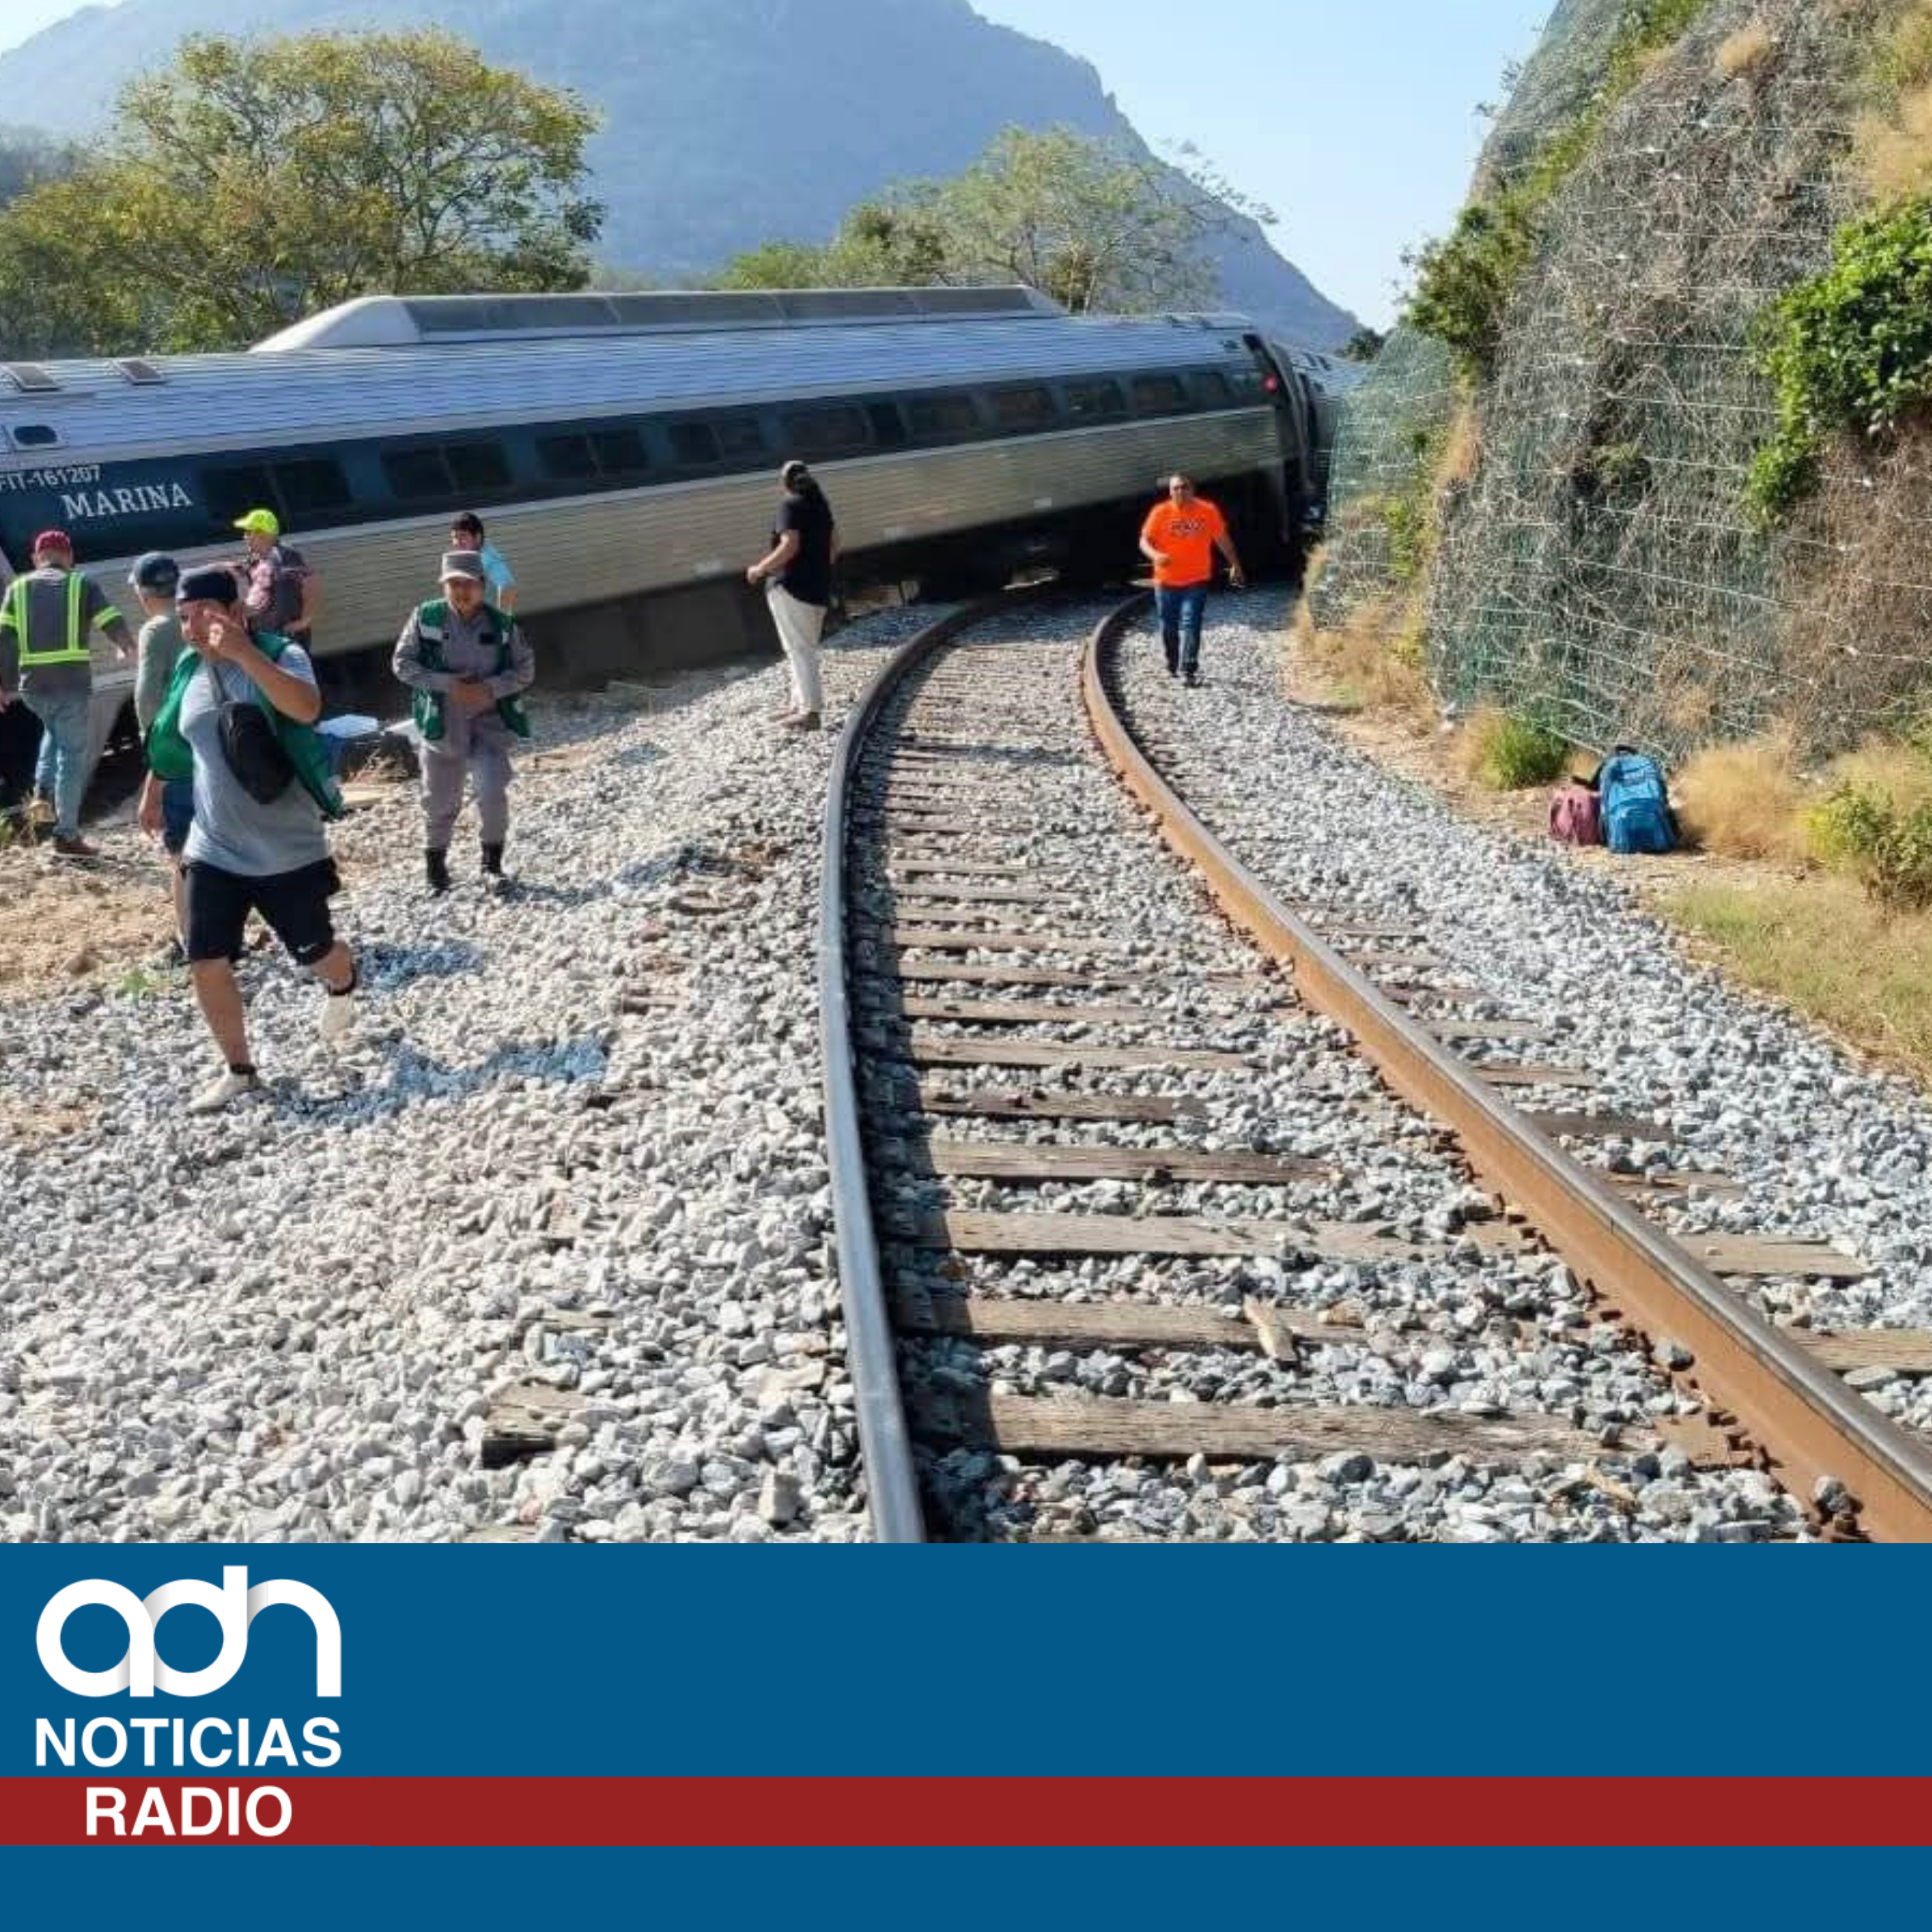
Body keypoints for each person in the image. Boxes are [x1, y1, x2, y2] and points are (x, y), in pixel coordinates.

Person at [139, 565, 357, 1115]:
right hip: (213, 846)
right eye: (183, 617)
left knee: (316, 954)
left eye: (202, 616)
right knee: (205, 957)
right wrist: (154, 789)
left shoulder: (280, 654)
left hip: (286, 847)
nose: (190, 629)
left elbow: (306, 709)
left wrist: (244, 654)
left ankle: (343, 981)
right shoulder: (188, 666)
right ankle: (240, 1071)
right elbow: (173, 736)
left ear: (234, 612)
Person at [392, 549, 535, 895]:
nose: (461, 591)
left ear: (483, 585)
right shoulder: (425, 617)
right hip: (443, 724)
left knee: (491, 792)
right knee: (440, 800)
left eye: (468, 583)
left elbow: (525, 669)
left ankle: (492, 866)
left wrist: (491, 689)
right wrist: (448, 685)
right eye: (453, 583)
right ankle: (436, 869)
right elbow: (402, 664)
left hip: (489, 724)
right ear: (444, 586)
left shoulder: (502, 625)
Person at [0, 529, 135, 857]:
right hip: (71, 685)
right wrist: (126, 645)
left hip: (32, 687)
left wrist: (2, 684)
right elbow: (111, 619)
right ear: (69, 556)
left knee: (52, 731)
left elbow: (4, 637)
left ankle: (42, 794)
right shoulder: (81, 583)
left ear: (36, 558)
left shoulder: (16, 588)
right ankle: (67, 835)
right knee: (72, 759)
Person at [129, 552, 196, 940]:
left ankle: (192, 940)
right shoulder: (200, 616)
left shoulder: (157, 629)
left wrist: (153, 762)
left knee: (184, 853)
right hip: (214, 749)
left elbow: (148, 697)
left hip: (179, 756)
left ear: (142, 591)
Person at [746, 459, 837, 732]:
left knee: (800, 650)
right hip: (817, 589)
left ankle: (810, 711)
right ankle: (798, 705)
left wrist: (759, 569)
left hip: (791, 588)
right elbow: (835, 547)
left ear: (784, 483)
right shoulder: (821, 508)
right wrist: (817, 569)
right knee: (799, 648)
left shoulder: (790, 506)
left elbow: (790, 544)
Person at [1138, 474, 1245, 688]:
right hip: (1165, 581)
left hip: (1196, 579)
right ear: (1170, 492)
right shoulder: (1160, 512)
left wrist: (1235, 564)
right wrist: (1155, 555)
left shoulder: (1207, 510)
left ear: (1193, 489)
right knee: (1168, 626)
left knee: (1191, 622)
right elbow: (1144, 541)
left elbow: (1222, 539)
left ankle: (1188, 669)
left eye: (1184, 487)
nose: (1180, 491)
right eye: (1175, 488)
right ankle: (1172, 662)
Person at [233, 507, 319, 647]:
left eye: (249, 532)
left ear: (264, 534)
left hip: (285, 640)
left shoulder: (283, 556)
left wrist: (303, 622)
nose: (245, 537)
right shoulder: (255, 559)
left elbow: (311, 584)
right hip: (264, 636)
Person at [450, 513, 516, 613]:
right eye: (455, 537)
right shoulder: (471, 554)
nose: (457, 542)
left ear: (477, 537)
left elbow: (508, 586)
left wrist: (502, 624)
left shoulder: (487, 558)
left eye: (463, 536)